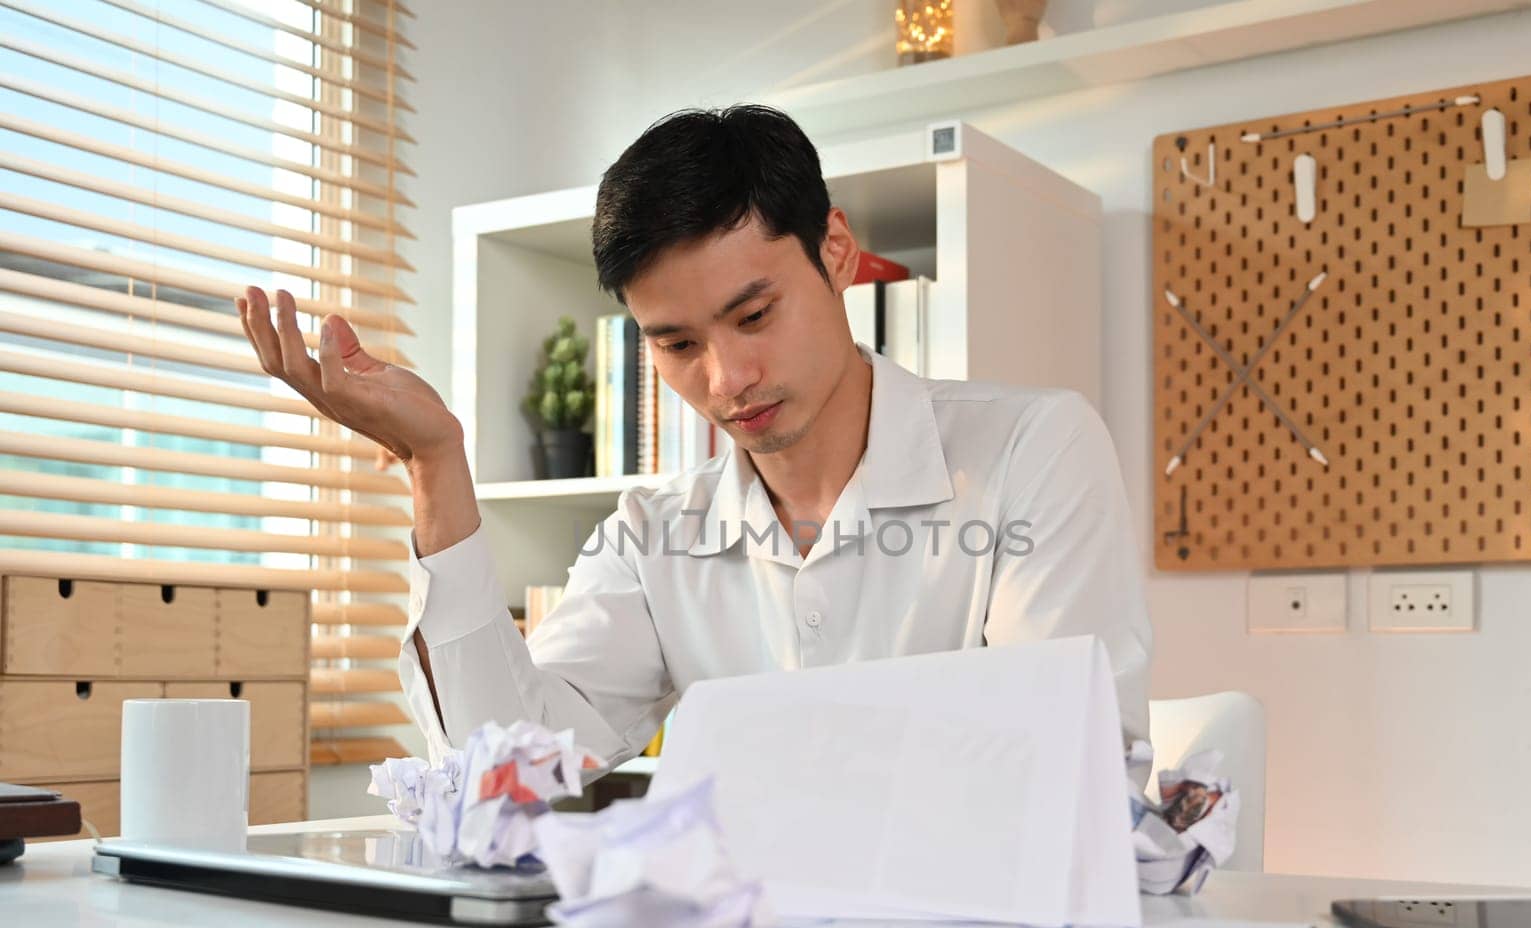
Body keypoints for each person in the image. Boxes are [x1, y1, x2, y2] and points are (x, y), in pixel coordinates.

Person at [235, 105, 1152, 771]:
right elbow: (505, 769)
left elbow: (1067, 773)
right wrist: (437, 467)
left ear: (835, 252)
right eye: (676, 344)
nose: (726, 380)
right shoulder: (654, 532)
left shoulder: (1036, 451)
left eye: (754, 314)